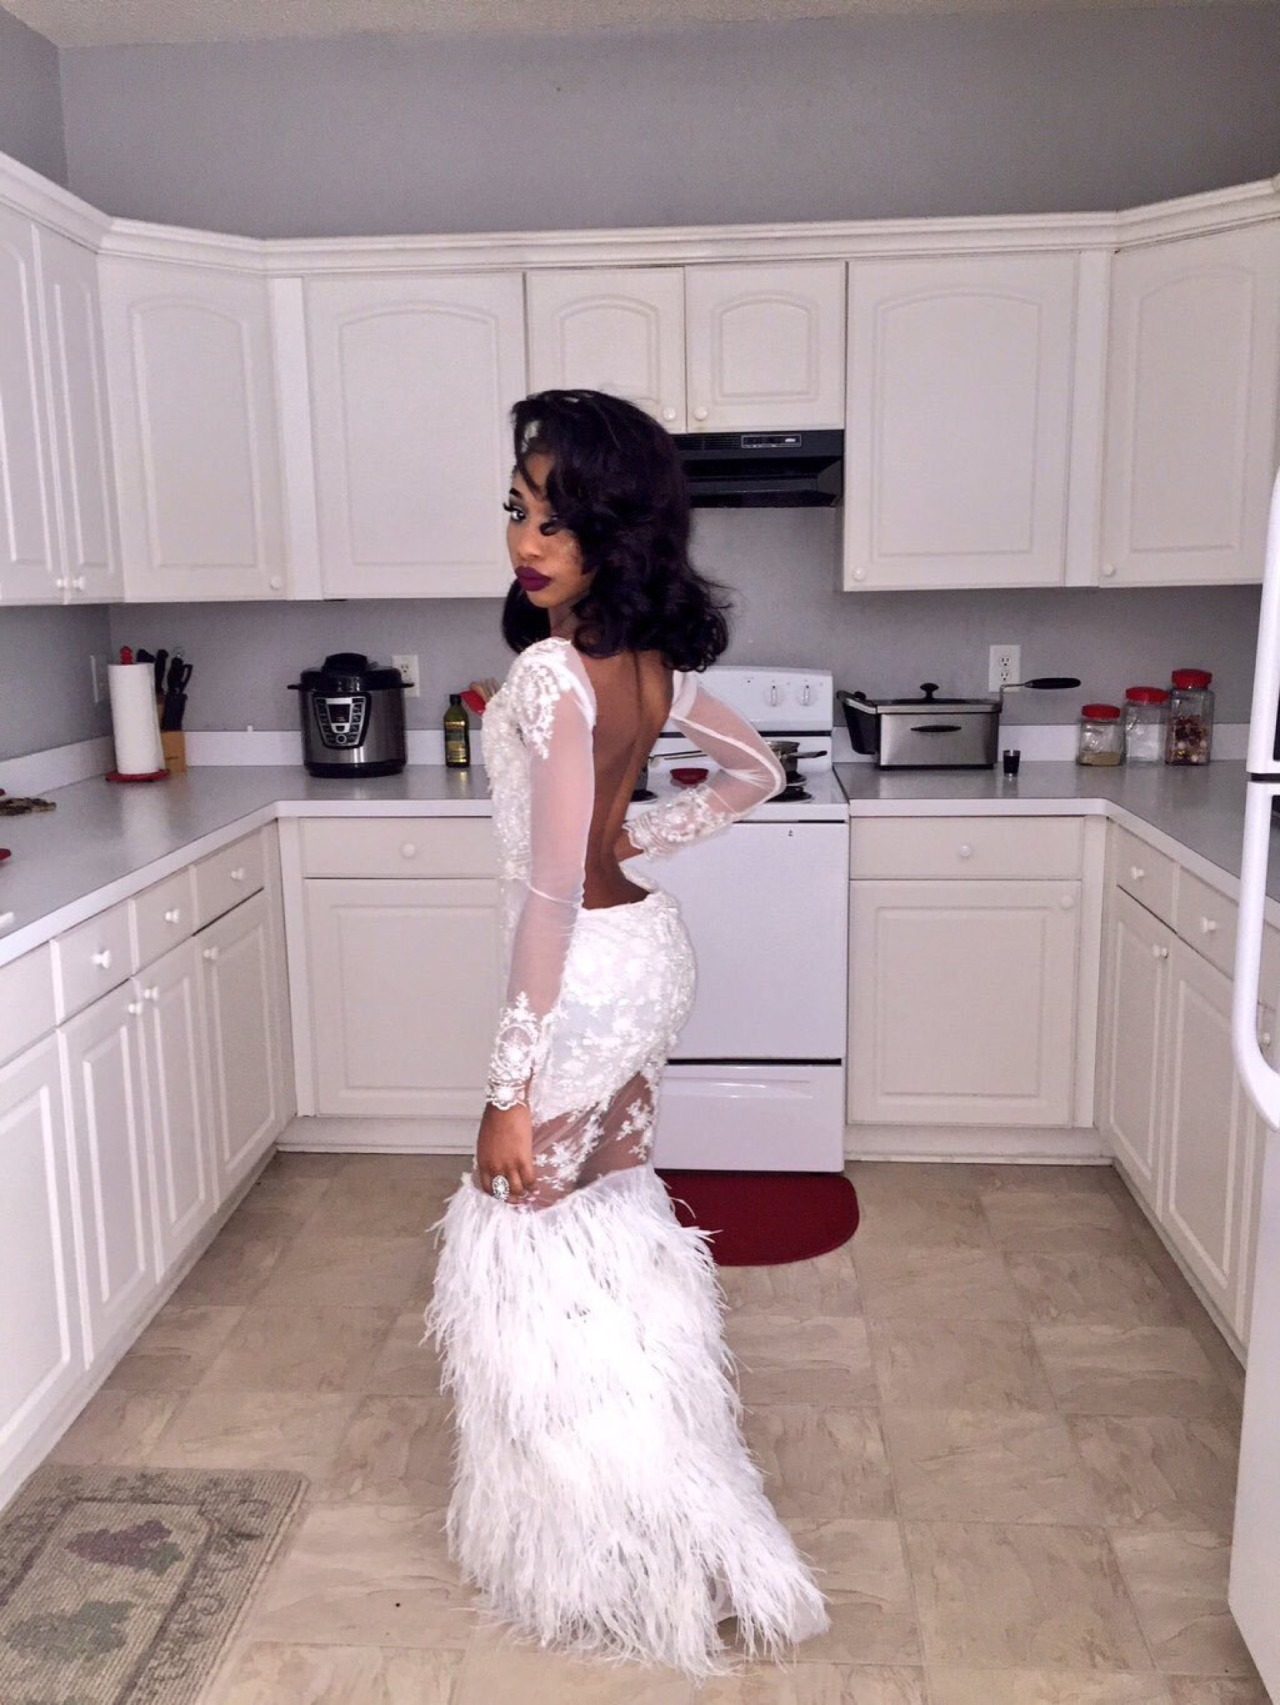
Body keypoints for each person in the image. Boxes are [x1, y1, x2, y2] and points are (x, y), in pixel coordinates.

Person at [424, 389, 828, 1677]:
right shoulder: (648, 664)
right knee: (605, 1231)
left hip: (587, 972)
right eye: (516, 510)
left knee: (521, 1252)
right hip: (646, 953)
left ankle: (607, 1533)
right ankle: (665, 1504)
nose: (525, 541)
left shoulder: (553, 674)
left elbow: (550, 896)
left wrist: (507, 1090)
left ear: (616, 528)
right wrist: (634, 835)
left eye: (556, 519)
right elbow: (758, 771)